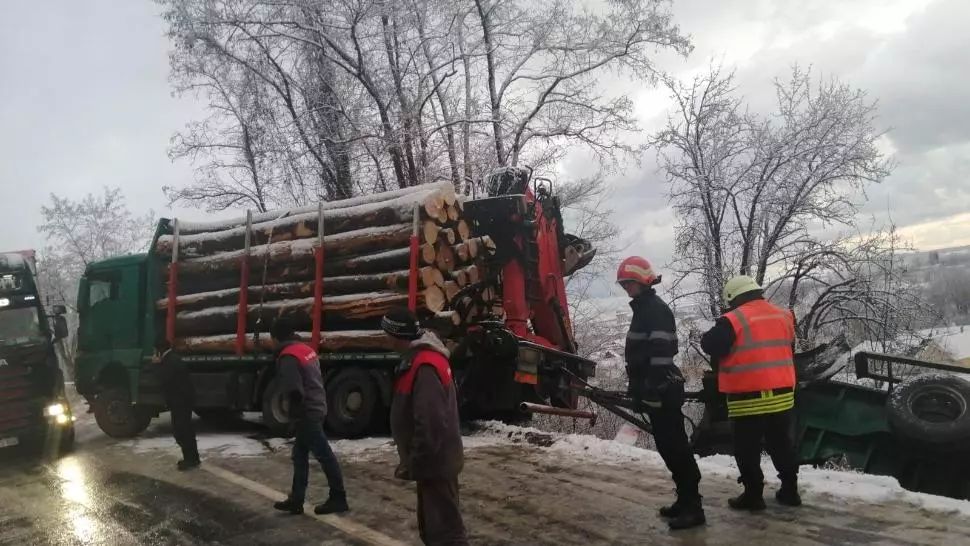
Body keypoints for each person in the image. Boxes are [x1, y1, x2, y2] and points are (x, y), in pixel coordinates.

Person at [617, 256, 705, 530]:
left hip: (662, 390)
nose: (626, 288)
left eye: (629, 283)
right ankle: (684, 500)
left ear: (642, 281)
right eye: (624, 284)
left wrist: (652, 388)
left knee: (676, 448)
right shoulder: (644, 308)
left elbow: (661, 354)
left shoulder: (653, 310)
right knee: (668, 448)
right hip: (655, 388)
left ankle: (693, 508)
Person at [700, 275, 801, 511]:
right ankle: (790, 491)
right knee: (781, 444)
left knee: (747, 448)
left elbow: (711, 345)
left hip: (748, 398)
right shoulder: (784, 315)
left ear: (733, 297)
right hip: (783, 396)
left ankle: (753, 495)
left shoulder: (733, 319)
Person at [382, 307, 468, 546]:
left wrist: (417, 462)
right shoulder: (420, 360)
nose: (385, 338)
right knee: (434, 529)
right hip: (434, 462)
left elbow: (431, 423)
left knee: (446, 534)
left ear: (397, 335)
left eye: (386, 333)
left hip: (435, 462)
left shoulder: (425, 365)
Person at [270, 317, 349, 516]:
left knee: (324, 455)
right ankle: (296, 499)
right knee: (300, 455)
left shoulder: (288, 356)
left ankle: (338, 498)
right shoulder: (305, 349)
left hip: (307, 413)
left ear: (275, 338)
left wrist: (294, 418)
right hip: (317, 406)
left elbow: (294, 391)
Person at [157, 341, 200, 471]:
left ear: (159, 350)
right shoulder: (174, 359)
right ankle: (192, 458)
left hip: (179, 402)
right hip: (182, 401)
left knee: (181, 431)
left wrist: (156, 365)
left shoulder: (169, 362)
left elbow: (163, 380)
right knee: (185, 430)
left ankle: (190, 459)